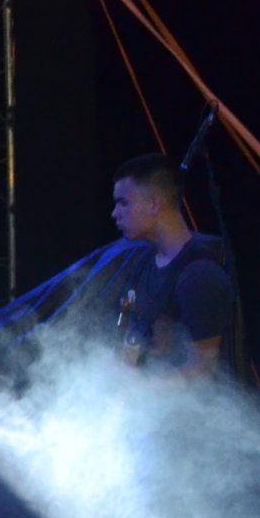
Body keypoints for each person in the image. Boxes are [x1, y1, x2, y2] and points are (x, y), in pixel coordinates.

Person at [108, 152, 235, 378]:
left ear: (154, 204)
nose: (114, 214)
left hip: (180, 401)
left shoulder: (199, 276)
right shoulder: (143, 262)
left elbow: (203, 372)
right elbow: (130, 331)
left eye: (123, 203)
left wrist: (135, 390)